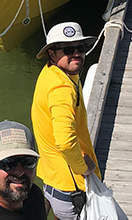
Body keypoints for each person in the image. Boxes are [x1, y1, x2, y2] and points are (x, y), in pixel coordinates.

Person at [31, 22, 101, 220]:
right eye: (68, 49)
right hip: (71, 189)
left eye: (81, 48)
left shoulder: (52, 73)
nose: (76, 54)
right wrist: (83, 168)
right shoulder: (61, 89)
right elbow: (64, 140)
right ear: (52, 54)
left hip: (53, 181)